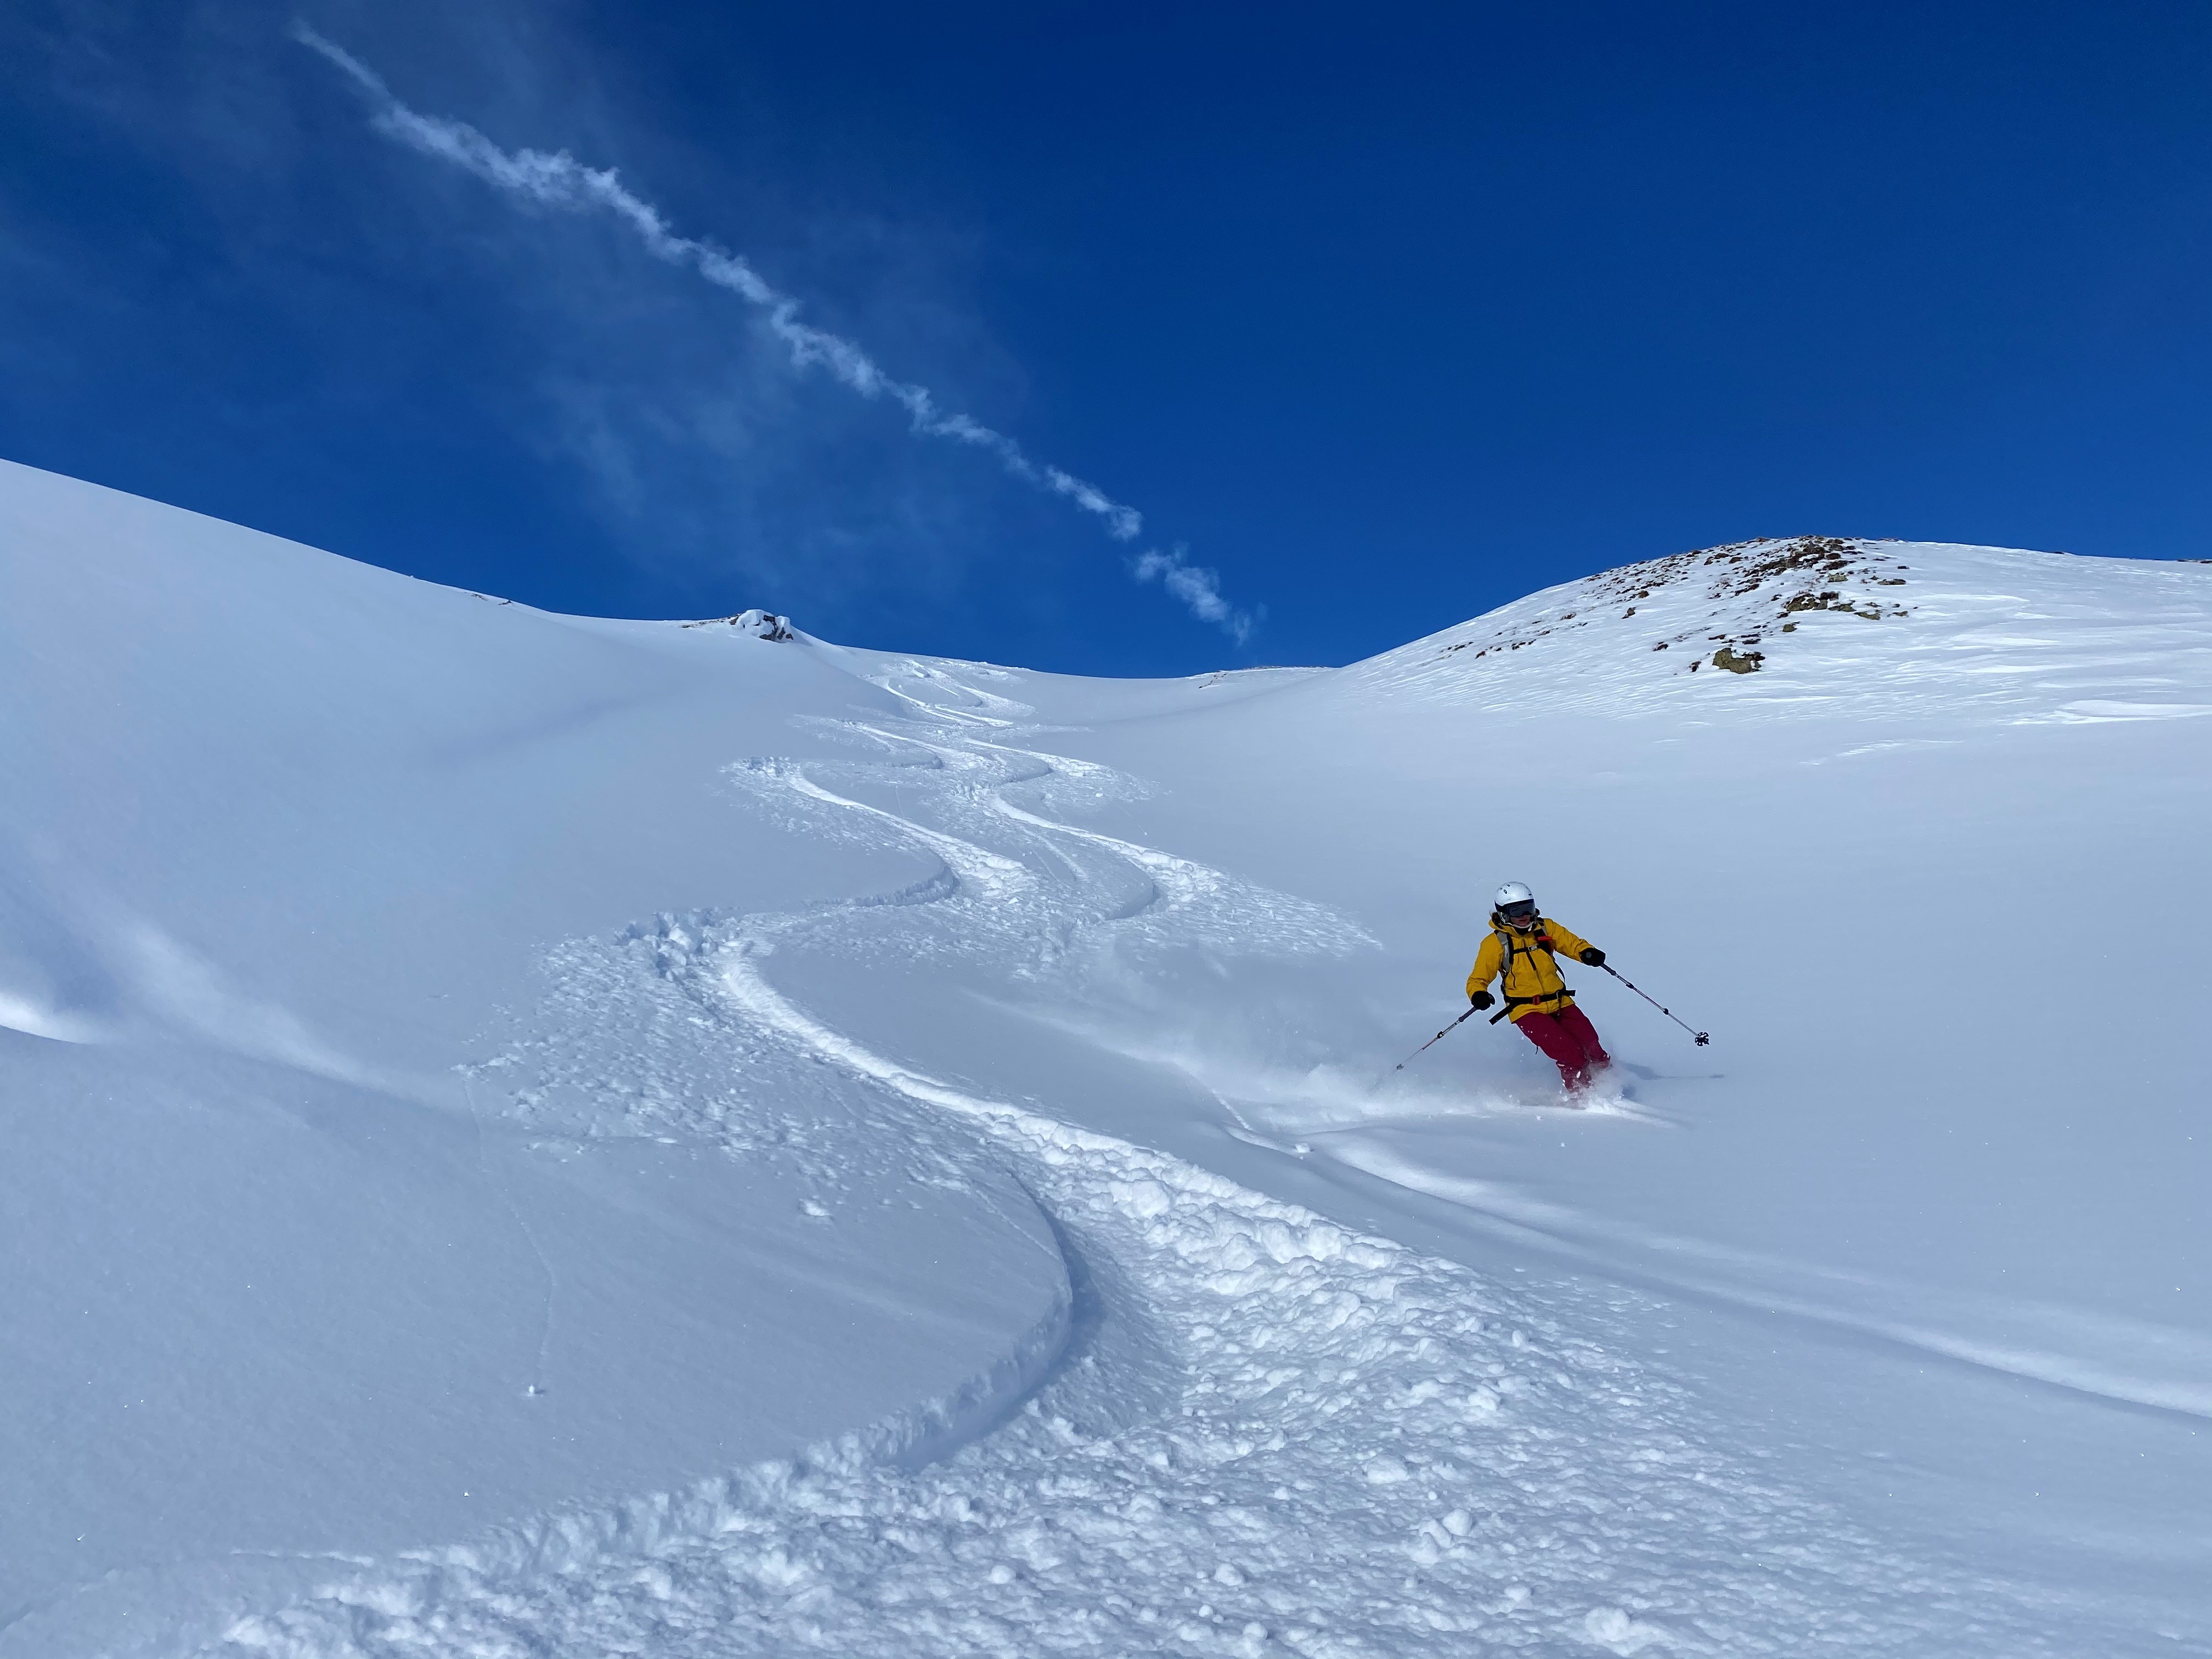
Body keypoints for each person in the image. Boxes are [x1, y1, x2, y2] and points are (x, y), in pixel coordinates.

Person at [1466, 882, 1613, 1091]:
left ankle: (1611, 1087)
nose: (1525, 915)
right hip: (1527, 1010)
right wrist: (1478, 994)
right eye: (1517, 911)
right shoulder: (1495, 944)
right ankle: (1583, 1099)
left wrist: (1587, 952)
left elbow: (1571, 943)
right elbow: (1477, 979)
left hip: (1560, 1001)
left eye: (1528, 907)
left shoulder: (1545, 928)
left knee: (1593, 1047)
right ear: (1503, 914)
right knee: (1571, 1054)